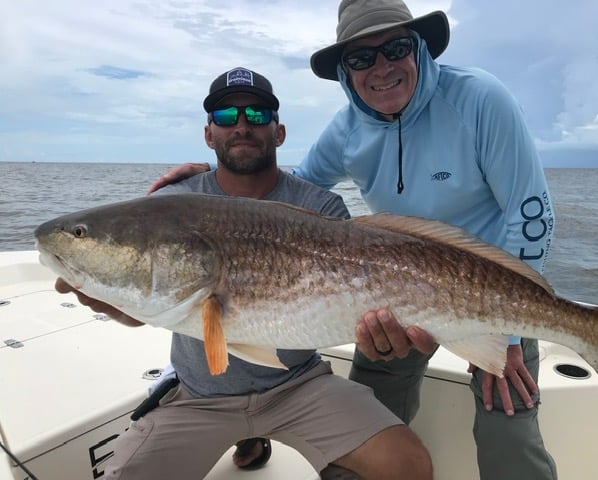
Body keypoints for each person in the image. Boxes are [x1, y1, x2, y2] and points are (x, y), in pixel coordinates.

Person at [145, 1, 558, 479]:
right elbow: (286, 196)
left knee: (509, 430)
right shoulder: (344, 131)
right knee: (365, 428)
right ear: (345, 71)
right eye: (361, 59)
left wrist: (505, 335)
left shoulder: (482, 99)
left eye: (395, 48)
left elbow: (531, 214)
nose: (380, 68)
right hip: (395, 290)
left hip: (491, 289)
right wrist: (216, 178)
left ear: (419, 48)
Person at [55, 66, 433, 480]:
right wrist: (107, 297)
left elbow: (348, 304)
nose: (240, 126)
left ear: (279, 131)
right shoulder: (173, 203)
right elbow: (148, 304)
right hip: (199, 395)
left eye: (255, 116)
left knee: (407, 466)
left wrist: (382, 340)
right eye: (224, 116)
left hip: (299, 384)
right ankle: (247, 438)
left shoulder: (320, 208)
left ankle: (257, 437)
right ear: (208, 134)